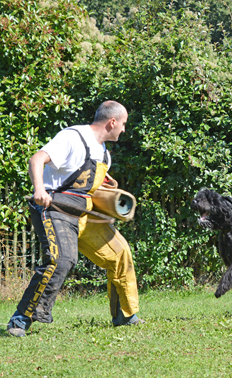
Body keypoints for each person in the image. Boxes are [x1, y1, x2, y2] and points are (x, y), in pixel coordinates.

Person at [7, 101, 144, 337]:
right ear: (112, 122)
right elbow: (36, 159)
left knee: (120, 252)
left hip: (83, 214)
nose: (123, 129)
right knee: (60, 260)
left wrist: (105, 184)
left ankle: (125, 315)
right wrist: (39, 188)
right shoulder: (72, 137)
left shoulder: (103, 153)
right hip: (55, 209)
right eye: (123, 124)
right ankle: (20, 320)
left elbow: (84, 180)